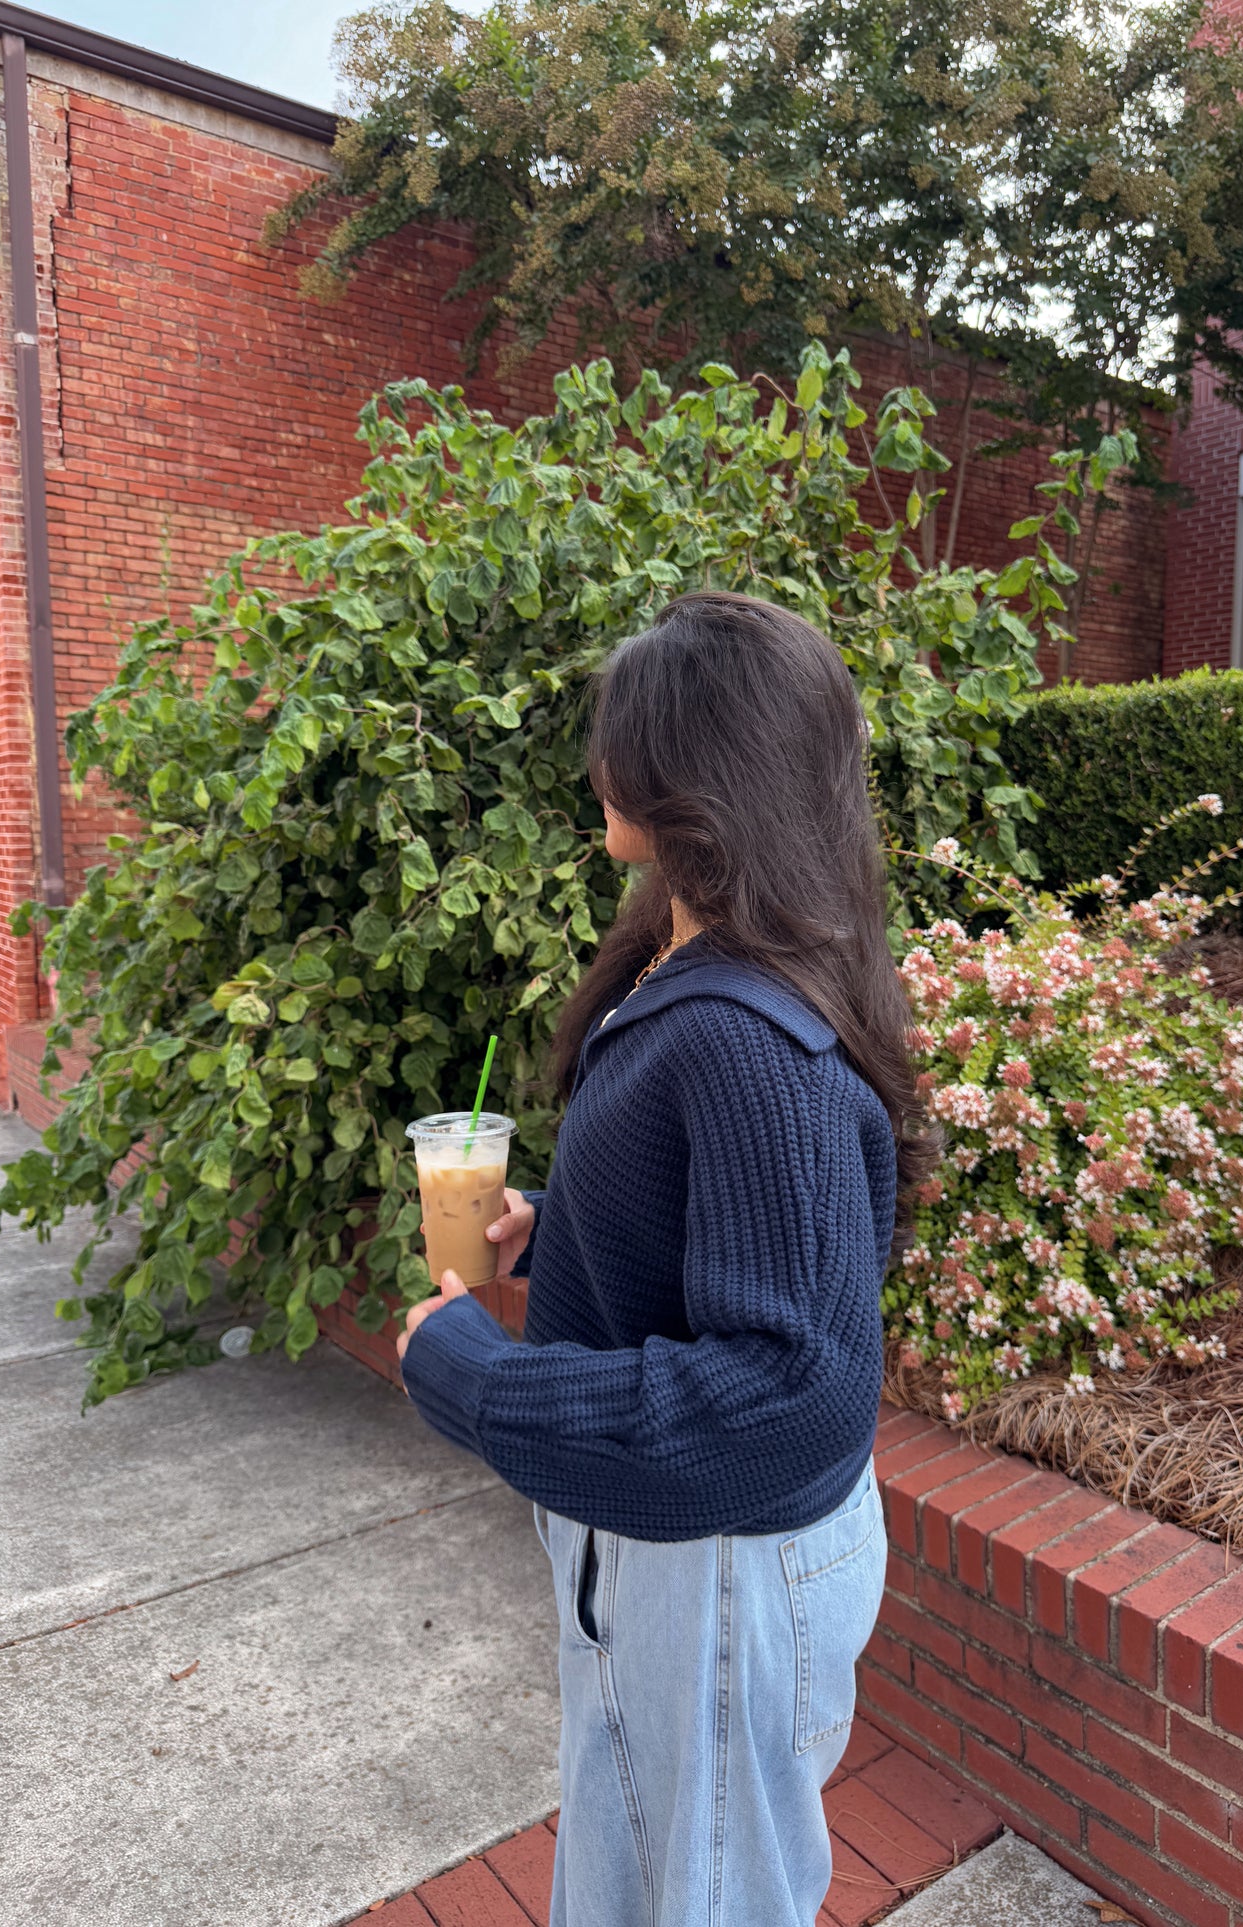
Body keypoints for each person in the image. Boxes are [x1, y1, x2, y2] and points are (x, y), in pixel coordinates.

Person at [396, 591, 928, 1926]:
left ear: (694, 775)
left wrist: (480, 1383)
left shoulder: (750, 1036)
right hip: (681, 1563)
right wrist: (567, 1224)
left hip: (714, 1580)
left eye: (620, 735)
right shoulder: (695, 958)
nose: (599, 763)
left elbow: (787, 1386)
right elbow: (731, 1224)